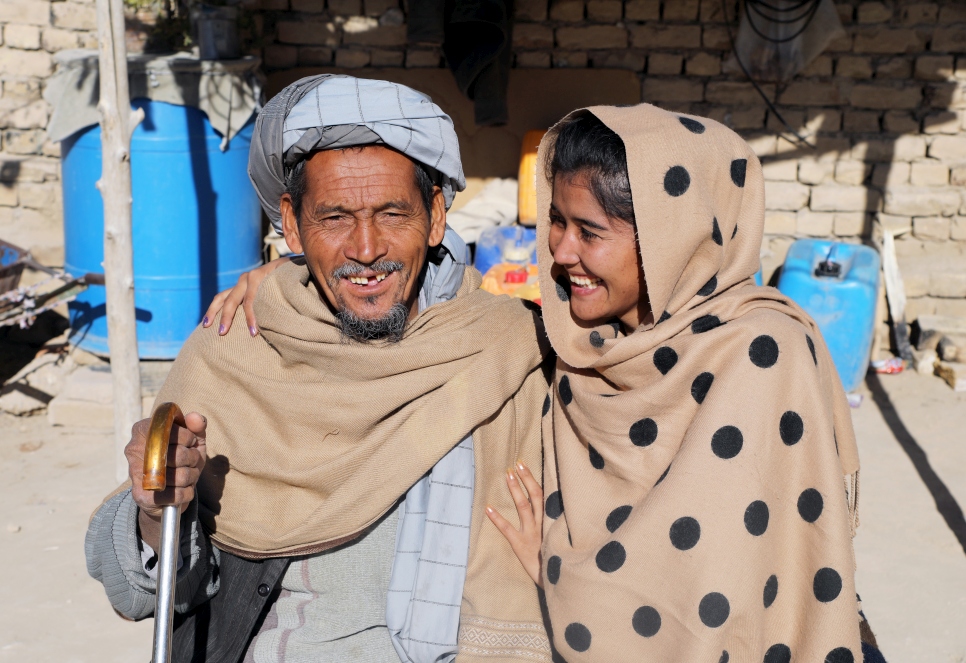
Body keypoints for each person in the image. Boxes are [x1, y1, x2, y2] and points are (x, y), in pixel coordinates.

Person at [85, 75, 554, 663]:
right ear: (291, 222)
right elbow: (139, 592)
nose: (365, 248)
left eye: (393, 213)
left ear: (436, 216)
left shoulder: (508, 350)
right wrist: (158, 513)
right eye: (333, 218)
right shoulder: (238, 343)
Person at [486, 106, 871, 662]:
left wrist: (562, 580)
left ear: (672, 239)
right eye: (558, 221)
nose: (561, 253)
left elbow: (715, 589)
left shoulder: (763, 355)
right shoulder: (579, 342)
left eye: (589, 232)